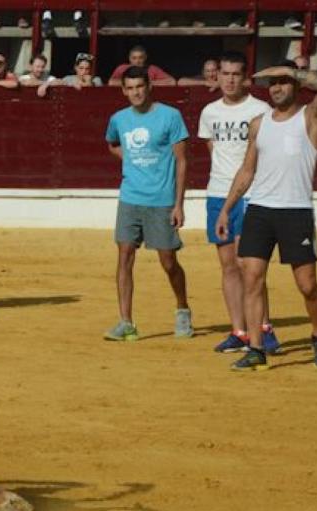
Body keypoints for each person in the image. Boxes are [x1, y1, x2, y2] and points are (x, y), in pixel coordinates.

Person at [216, 51, 317, 371]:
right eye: (272, 83)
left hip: (296, 211)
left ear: (296, 85)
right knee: (252, 278)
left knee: (306, 285)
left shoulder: (309, 116)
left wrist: (298, 72)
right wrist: (226, 210)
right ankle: (256, 348)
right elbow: (247, 171)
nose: (276, 88)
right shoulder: (259, 124)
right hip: (260, 209)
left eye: (283, 82)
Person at [197, 52, 280, 354]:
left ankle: (265, 329)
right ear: (216, 76)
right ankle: (240, 331)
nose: (230, 79)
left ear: (245, 78)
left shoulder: (261, 110)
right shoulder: (209, 113)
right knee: (228, 265)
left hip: (252, 194)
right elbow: (213, 150)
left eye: (236, 74)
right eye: (225, 73)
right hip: (217, 191)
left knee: (250, 266)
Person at [103, 65, 192, 341]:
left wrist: (179, 204)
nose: (135, 93)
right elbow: (112, 144)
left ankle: (182, 309)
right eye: (129, 88)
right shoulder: (118, 119)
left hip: (161, 200)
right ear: (123, 90)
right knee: (124, 257)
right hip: (130, 197)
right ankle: (126, 321)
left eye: (139, 87)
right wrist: (129, 159)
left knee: (168, 261)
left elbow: (182, 161)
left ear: (149, 87)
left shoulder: (170, 116)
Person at [108, 45, 175, 87]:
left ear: (145, 58)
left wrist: (148, 83)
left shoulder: (152, 69)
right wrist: (132, 83)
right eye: (134, 58)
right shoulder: (122, 68)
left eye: (140, 58)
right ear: (129, 58)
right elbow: (111, 82)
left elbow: (172, 81)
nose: (137, 61)